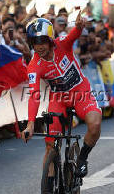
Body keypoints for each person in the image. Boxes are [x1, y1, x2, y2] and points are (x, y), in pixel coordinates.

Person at [21, 13, 102, 179]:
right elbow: (35, 95)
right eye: (34, 43)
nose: (39, 47)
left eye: (42, 41)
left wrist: (79, 26)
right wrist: (30, 124)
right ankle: (48, 193)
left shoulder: (62, 45)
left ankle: (82, 158)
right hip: (58, 99)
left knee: (94, 125)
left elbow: (74, 34)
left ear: (50, 39)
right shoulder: (34, 66)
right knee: (51, 145)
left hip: (80, 91)